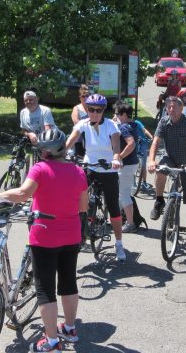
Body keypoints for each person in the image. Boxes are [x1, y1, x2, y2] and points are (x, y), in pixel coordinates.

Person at [0, 129, 88, 352]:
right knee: (68, 282)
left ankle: (52, 341)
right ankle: (69, 328)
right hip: (71, 235)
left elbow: (21, 194)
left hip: (44, 236)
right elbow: (83, 207)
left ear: (43, 152)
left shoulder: (40, 169)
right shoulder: (78, 172)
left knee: (45, 289)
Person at [65, 93, 126, 261]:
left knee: (113, 207)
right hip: (90, 167)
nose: (94, 113)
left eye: (98, 110)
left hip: (108, 170)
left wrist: (116, 157)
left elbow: (116, 143)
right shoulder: (83, 123)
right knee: (78, 201)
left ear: (103, 110)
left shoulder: (111, 125)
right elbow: (71, 139)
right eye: (91, 109)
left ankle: (119, 244)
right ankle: (80, 234)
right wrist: (59, 154)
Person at [147, 96, 186, 241]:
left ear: (181, 108)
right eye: (169, 107)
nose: (171, 110)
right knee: (160, 171)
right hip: (171, 159)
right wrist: (151, 160)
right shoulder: (164, 121)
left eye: (174, 107)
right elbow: (155, 142)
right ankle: (159, 200)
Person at [113, 101, 139, 233]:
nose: (115, 116)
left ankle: (130, 223)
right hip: (132, 163)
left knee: (123, 194)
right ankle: (120, 218)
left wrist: (120, 157)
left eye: (117, 113)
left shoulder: (124, 127)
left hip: (126, 164)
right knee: (122, 193)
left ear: (123, 115)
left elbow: (131, 144)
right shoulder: (133, 125)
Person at [70, 85, 89, 157]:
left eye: (87, 96)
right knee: (80, 156)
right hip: (79, 137)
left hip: (90, 136)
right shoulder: (76, 108)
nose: (85, 98)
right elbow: (76, 122)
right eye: (83, 96)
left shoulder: (92, 108)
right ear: (80, 98)